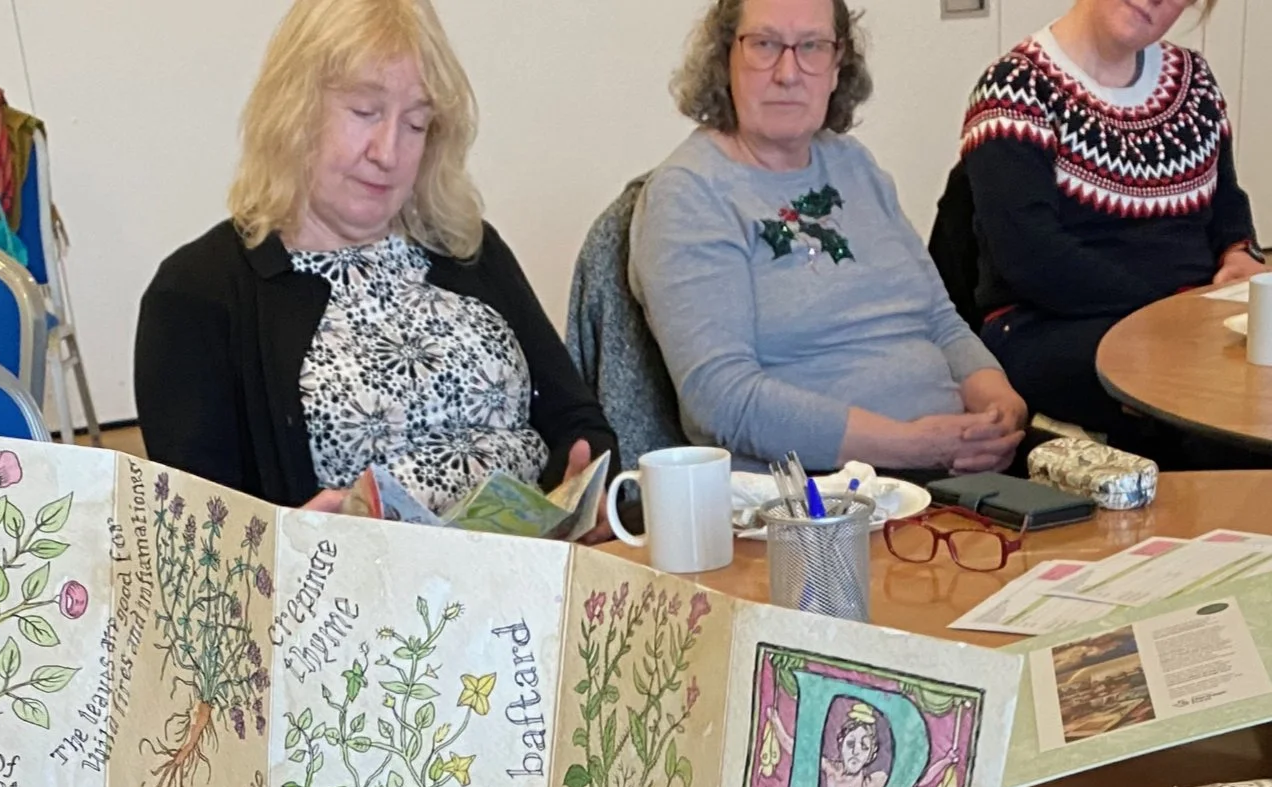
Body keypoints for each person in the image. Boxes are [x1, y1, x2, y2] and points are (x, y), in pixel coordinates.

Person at [133, 0, 616, 517]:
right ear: (294, 109)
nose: (388, 152)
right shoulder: (197, 293)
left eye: (416, 124)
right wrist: (287, 547)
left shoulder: (467, 248)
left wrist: (581, 492)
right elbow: (189, 541)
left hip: (526, 575)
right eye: (365, 112)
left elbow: (579, 424)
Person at [630, 0, 1028, 476]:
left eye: (813, 47)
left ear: (838, 66)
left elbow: (938, 320)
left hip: (953, 474)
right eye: (764, 44)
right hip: (818, 505)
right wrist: (914, 446)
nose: (788, 72)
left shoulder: (852, 164)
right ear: (724, 59)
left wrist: (999, 405)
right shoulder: (689, 195)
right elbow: (721, 399)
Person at [961, 0, 1263, 453]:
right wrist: (1169, 315)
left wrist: (1238, 253)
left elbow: (1226, 200)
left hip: (1180, 320)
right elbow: (1034, 259)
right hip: (1053, 323)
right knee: (1197, 397)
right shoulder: (1014, 89)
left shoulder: (1193, 78)